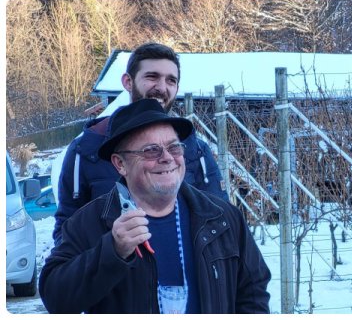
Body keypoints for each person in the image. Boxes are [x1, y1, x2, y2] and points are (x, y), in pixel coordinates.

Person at [40, 99, 271, 313]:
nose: (167, 158)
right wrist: (113, 250)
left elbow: (253, 293)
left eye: (174, 147)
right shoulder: (91, 221)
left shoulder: (221, 217)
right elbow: (55, 298)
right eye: (151, 150)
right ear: (120, 164)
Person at [53, 43, 227, 245]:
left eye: (171, 80)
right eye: (152, 77)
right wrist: (111, 252)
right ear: (128, 82)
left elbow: (220, 220)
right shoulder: (87, 149)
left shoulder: (194, 148)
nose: (162, 87)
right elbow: (67, 236)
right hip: (116, 273)